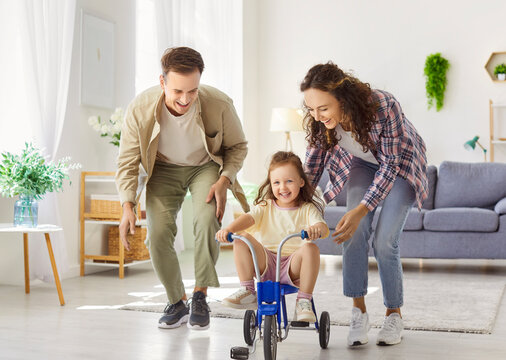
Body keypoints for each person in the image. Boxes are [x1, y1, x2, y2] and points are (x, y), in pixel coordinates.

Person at [116, 47, 249, 330]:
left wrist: (225, 179)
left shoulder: (219, 103)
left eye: (192, 91)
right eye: (177, 91)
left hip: (205, 165)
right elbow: (128, 160)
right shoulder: (140, 109)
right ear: (162, 82)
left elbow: (238, 146)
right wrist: (127, 204)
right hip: (163, 167)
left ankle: (200, 295)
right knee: (159, 232)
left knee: (205, 220)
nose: (185, 99)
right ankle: (177, 301)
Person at [301, 62, 428, 346]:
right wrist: (290, 201)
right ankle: (359, 312)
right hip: (362, 163)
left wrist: (361, 209)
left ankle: (394, 314)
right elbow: (311, 169)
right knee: (352, 233)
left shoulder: (384, 106)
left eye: (323, 108)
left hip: (401, 164)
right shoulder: (320, 122)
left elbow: (390, 165)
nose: (317, 116)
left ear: (342, 98)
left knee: (385, 242)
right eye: (311, 109)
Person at [216, 151, 329, 322]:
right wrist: (229, 229)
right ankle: (248, 291)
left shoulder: (307, 209)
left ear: (301, 182)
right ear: (271, 184)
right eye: (276, 182)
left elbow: (323, 227)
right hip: (266, 263)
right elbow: (248, 218)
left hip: (292, 266)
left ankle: (303, 300)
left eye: (289, 181)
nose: (282, 188)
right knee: (242, 238)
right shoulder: (265, 206)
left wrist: (316, 229)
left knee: (310, 248)